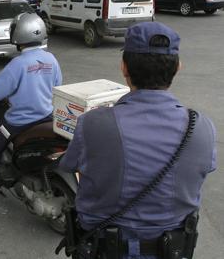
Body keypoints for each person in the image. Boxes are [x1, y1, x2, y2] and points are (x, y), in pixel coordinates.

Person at [59, 22, 217, 258]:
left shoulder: (94, 123)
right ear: (178, 68)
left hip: (104, 248)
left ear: (124, 67)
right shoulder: (202, 127)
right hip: (172, 249)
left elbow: (67, 165)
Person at [0, 12, 62, 202]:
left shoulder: (18, 64)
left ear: (19, 34)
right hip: (47, 117)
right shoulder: (51, 60)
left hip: (19, 122)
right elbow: (57, 86)